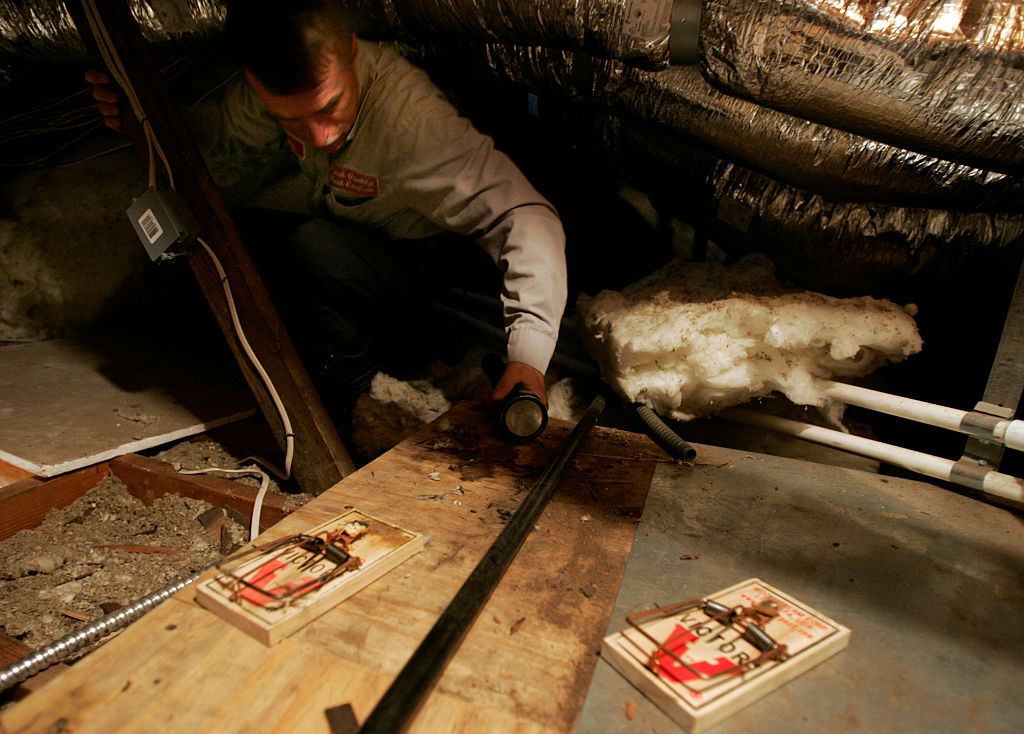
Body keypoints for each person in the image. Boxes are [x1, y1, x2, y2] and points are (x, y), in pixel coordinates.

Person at [86, 0, 567, 419]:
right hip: (351, 244)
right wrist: (140, 123)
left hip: (425, 273)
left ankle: (364, 401)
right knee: (204, 255)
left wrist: (527, 358)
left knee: (297, 248)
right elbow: (210, 145)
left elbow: (524, 216)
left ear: (352, 51)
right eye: (290, 118)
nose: (318, 135)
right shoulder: (265, 94)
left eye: (330, 107)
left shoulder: (413, 121)